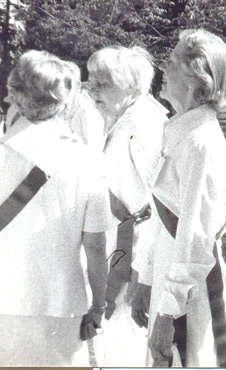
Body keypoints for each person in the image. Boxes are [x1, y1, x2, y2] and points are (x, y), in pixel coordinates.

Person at [131, 28, 226, 367]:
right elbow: (161, 216)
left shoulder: (201, 141)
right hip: (168, 279)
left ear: (198, 76)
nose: (163, 68)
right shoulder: (180, 130)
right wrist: (146, 280)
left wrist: (169, 311)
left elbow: (195, 237)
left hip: (190, 289)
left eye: (172, 61)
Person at [0, 50, 112, 366]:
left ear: (14, 94)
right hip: (64, 304)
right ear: (66, 100)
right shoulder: (89, 161)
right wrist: (99, 305)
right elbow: (95, 246)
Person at [87, 45, 168, 367]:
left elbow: (161, 205)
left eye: (103, 81)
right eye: (91, 78)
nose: (91, 87)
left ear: (132, 85)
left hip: (136, 253)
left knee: (129, 347)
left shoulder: (142, 124)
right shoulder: (123, 118)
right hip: (119, 248)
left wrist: (142, 275)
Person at [64, 61, 105, 151]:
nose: (62, 91)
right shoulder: (62, 108)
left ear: (78, 85)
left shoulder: (87, 114)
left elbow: (94, 155)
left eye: (67, 85)